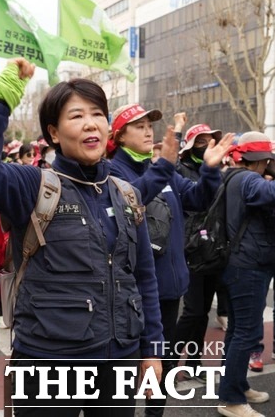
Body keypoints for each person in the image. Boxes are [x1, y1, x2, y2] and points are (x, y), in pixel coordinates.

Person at [0, 58, 163, 416]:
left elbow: (143, 277)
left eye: (98, 114)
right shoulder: (32, 186)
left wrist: (152, 350)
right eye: (76, 116)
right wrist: (1, 100)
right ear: (53, 133)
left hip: (119, 360)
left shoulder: (126, 193)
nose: (90, 124)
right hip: (48, 362)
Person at [108, 107, 231, 417]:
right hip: (133, 293)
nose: (148, 131)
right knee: (126, 373)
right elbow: (136, 198)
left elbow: (198, 200)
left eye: (150, 126)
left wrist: (211, 170)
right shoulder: (114, 172)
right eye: (139, 126)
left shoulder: (163, 170)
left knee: (159, 367)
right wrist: (164, 165)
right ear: (119, 135)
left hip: (170, 287)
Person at [217, 132, 275, 417]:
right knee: (247, 332)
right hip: (248, 265)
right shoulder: (247, 179)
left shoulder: (233, 176)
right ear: (263, 160)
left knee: (237, 330)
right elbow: (274, 193)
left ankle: (236, 385)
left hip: (239, 263)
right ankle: (231, 400)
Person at [171, 120, 229, 379]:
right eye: (201, 140)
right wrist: (177, 129)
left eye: (210, 139)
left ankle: (194, 363)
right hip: (189, 247)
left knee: (204, 311)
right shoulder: (180, 170)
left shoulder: (216, 171)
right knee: (192, 311)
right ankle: (169, 359)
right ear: (191, 145)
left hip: (212, 247)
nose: (207, 144)